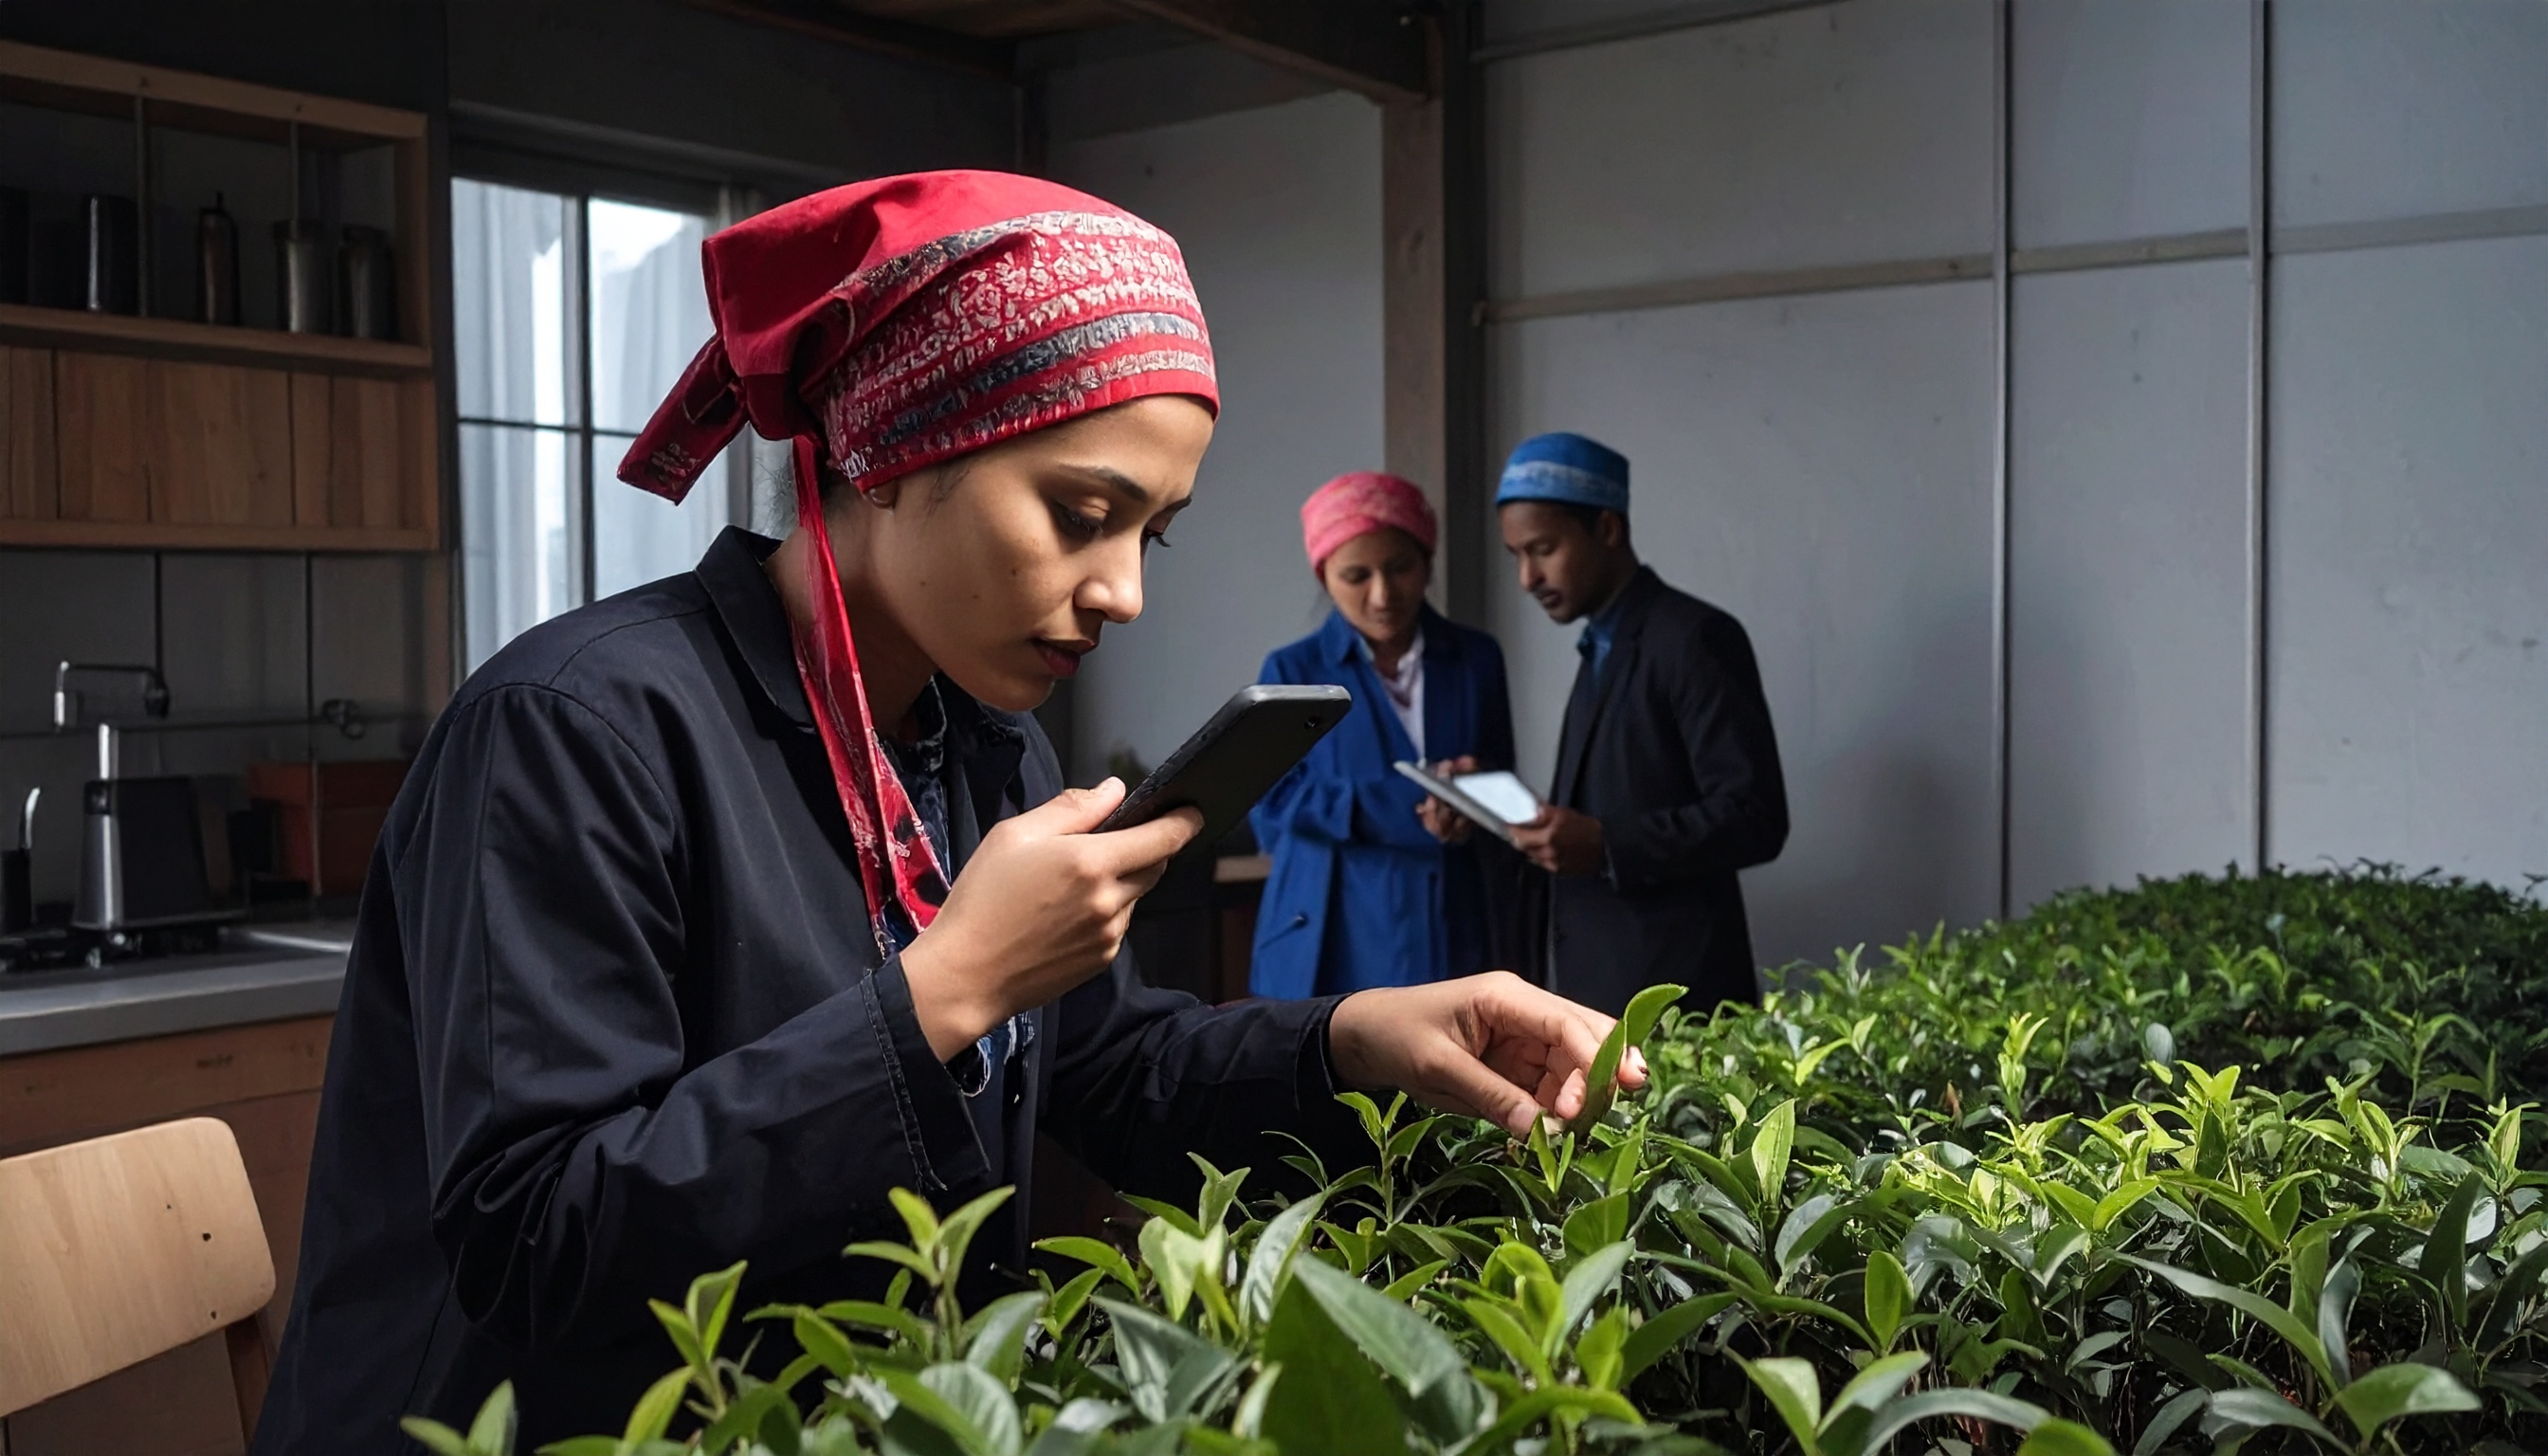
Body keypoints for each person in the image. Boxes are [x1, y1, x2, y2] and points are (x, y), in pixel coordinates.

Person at [254, 174, 1641, 1454]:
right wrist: (945, 989)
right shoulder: (573, 732)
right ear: (892, 452)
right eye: (1080, 511)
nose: (1122, 591)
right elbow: (537, 1240)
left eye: (1148, 533)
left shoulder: (980, 745)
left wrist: (1352, 1042)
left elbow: (1097, 1068)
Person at [1490, 430, 1790, 1017]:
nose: (1527, 577)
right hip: (1599, 991)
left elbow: (1756, 818)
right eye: (1517, 556)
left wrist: (1605, 844)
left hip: (1680, 1004)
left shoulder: (1694, 637)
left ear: (1607, 529)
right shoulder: (1598, 644)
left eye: (1543, 548)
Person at [1248, 472, 1516, 996]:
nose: (1382, 594)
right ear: (1325, 576)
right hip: (1330, 922)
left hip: (1447, 916)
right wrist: (1419, 800)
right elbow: (1271, 800)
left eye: (1400, 569)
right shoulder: (1293, 670)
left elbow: (1502, 780)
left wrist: (1475, 794)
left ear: (1428, 564)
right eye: (1356, 576)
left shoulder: (1475, 660)